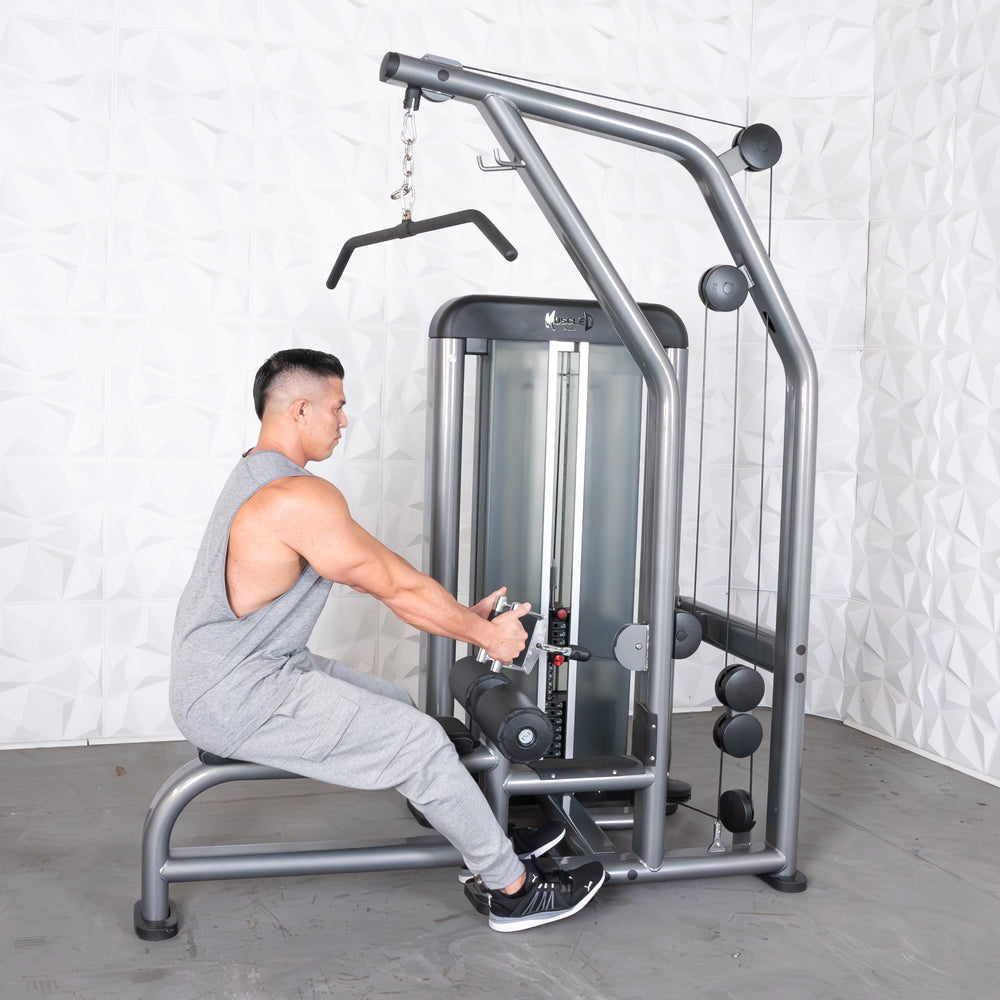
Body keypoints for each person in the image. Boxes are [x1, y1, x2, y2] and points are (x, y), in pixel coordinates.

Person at [170, 348, 605, 932]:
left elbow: (388, 570)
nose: (344, 421)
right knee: (421, 742)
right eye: (337, 407)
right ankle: (511, 889)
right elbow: (396, 587)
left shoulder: (259, 472)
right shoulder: (297, 498)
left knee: (397, 708)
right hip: (237, 692)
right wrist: (487, 636)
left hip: (246, 670)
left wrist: (460, 616)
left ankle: (477, 827)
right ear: (301, 409)